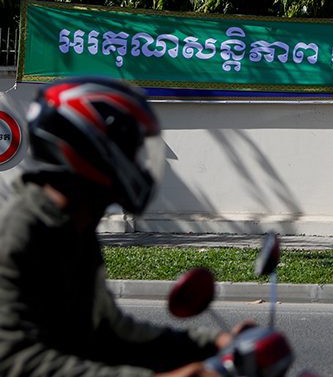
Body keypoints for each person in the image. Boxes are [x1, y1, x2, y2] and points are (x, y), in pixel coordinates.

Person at [0, 77, 232, 377]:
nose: (139, 164)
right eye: (131, 150)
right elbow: (12, 359)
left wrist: (215, 343)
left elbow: (108, 331)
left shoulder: (74, 226)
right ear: (89, 148)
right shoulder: (20, 231)